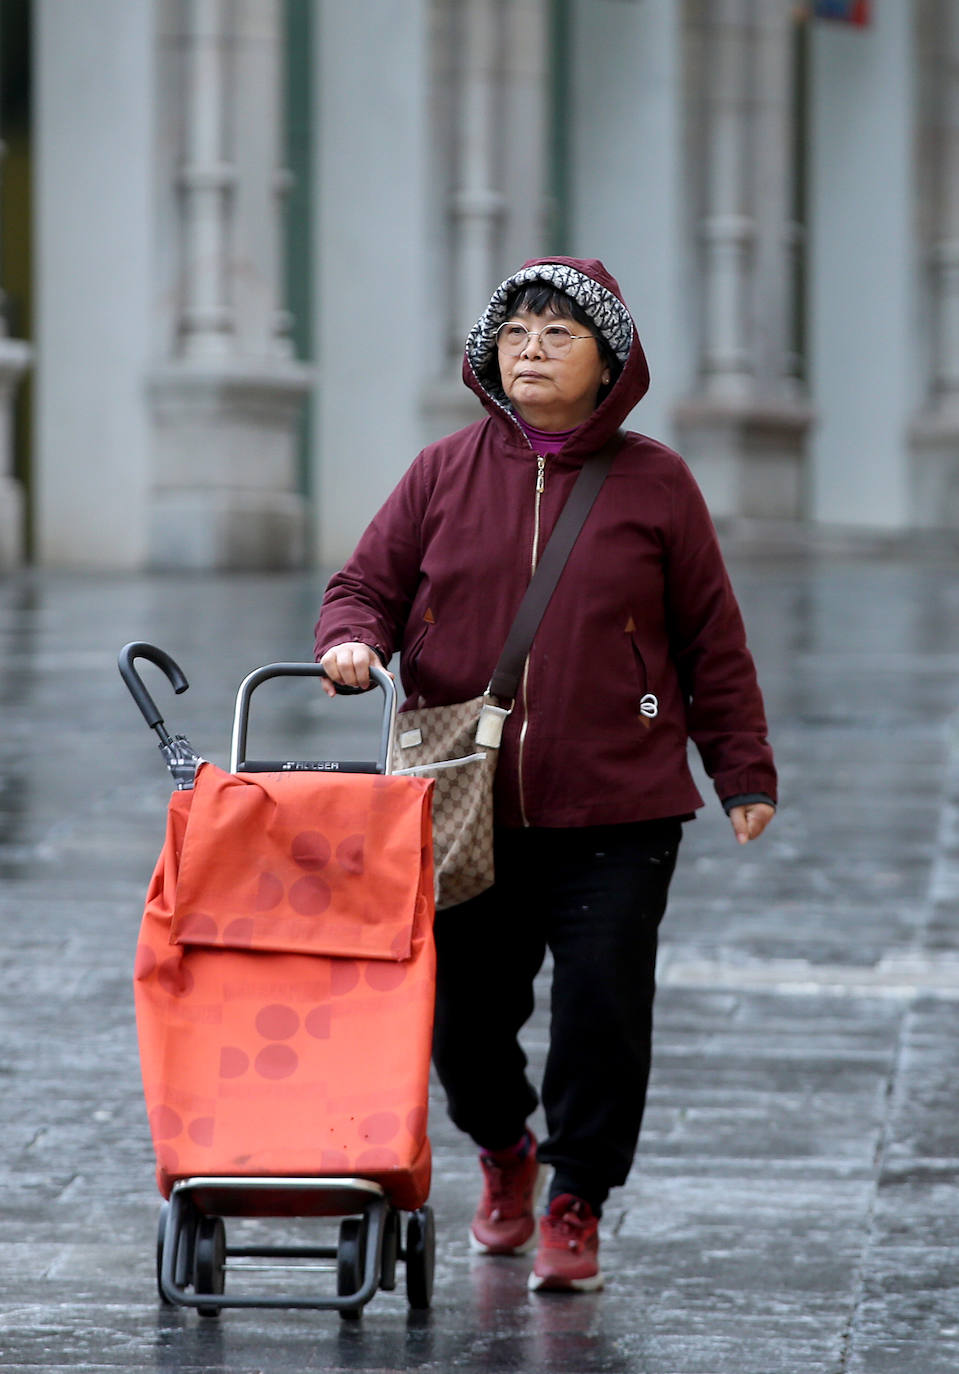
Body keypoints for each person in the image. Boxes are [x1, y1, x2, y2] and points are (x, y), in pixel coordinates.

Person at [314, 257, 776, 1293]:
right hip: (461, 799)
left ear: (608, 363)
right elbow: (363, 586)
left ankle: (576, 1197)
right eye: (516, 332)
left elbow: (711, 639)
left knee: (601, 1014)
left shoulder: (657, 484)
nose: (530, 349)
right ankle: (503, 1150)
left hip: (618, 803)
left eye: (557, 335)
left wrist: (740, 768)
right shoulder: (442, 470)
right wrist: (351, 643)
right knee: (459, 1018)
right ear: (489, 353)